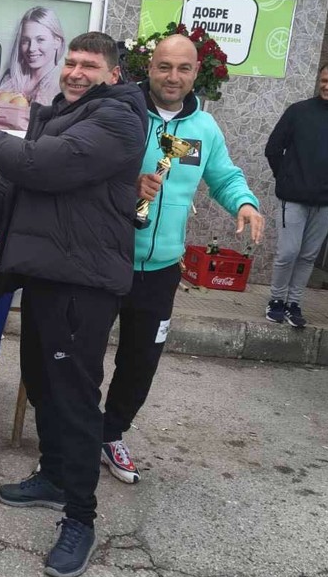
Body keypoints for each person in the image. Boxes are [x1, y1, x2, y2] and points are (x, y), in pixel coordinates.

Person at [0, 31, 147, 577]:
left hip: (84, 283)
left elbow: (45, 165)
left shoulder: (119, 119)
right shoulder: (58, 113)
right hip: (47, 275)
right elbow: (14, 186)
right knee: (42, 383)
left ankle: (80, 517)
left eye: (89, 65)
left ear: (113, 74)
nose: (76, 72)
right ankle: (54, 476)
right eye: (71, 62)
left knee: (74, 399)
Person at [100, 34, 263, 485]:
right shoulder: (120, 110)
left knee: (141, 362)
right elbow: (89, 167)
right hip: (105, 259)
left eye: (183, 68)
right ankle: (74, 434)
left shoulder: (204, 128)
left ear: (195, 73)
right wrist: (129, 185)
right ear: (149, 67)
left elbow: (224, 176)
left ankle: (110, 433)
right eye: (165, 66)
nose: (173, 77)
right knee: (85, 356)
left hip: (160, 270)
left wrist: (244, 203)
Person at [264, 59, 328, 328]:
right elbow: (273, 148)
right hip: (293, 197)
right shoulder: (298, 111)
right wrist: (286, 178)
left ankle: (294, 303)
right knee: (288, 252)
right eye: (324, 81)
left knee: (308, 255)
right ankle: (276, 299)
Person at [0, 7, 66, 132]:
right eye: (25, 41)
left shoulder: (63, 84)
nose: (31, 48)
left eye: (40, 39)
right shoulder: (11, 77)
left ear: (57, 42)